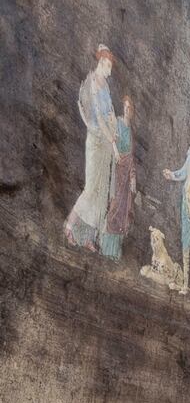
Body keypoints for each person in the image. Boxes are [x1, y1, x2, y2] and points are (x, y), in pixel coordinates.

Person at [65, 45, 118, 250]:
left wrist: (115, 131)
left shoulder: (105, 85)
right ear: (101, 63)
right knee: (90, 190)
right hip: (97, 141)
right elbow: (99, 119)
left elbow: (110, 113)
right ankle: (70, 226)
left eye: (110, 67)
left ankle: (87, 237)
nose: (110, 71)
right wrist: (112, 143)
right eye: (108, 66)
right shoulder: (93, 84)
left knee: (101, 193)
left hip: (106, 141)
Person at [163, 119, 190, 303]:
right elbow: (183, 173)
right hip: (184, 203)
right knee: (184, 246)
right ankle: (186, 285)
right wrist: (172, 175)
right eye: (189, 133)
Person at [100, 95, 136, 261]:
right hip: (118, 170)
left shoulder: (130, 130)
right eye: (125, 107)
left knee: (123, 212)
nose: (127, 110)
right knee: (114, 207)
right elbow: (113, 141)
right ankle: (106, 248)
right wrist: (116, 153)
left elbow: (132, 157)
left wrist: (133, 178)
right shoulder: (118, 123)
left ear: (133, 112)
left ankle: (115, 253)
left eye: (130, 108)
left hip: (127, 175)